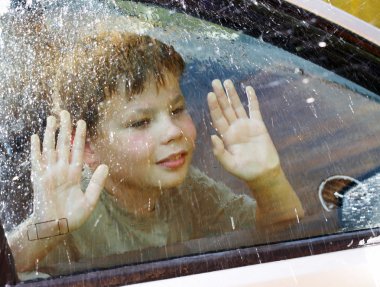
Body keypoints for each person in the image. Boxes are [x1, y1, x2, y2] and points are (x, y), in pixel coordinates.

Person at [8, 30, 304, 274]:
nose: (173, 131)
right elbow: (9, 265)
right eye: (140, 122)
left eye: (176, 110)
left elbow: (287, 237)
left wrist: (268, 180)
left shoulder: (188, 192)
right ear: (87, 146)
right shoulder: (74, 203)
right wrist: (46, 228)